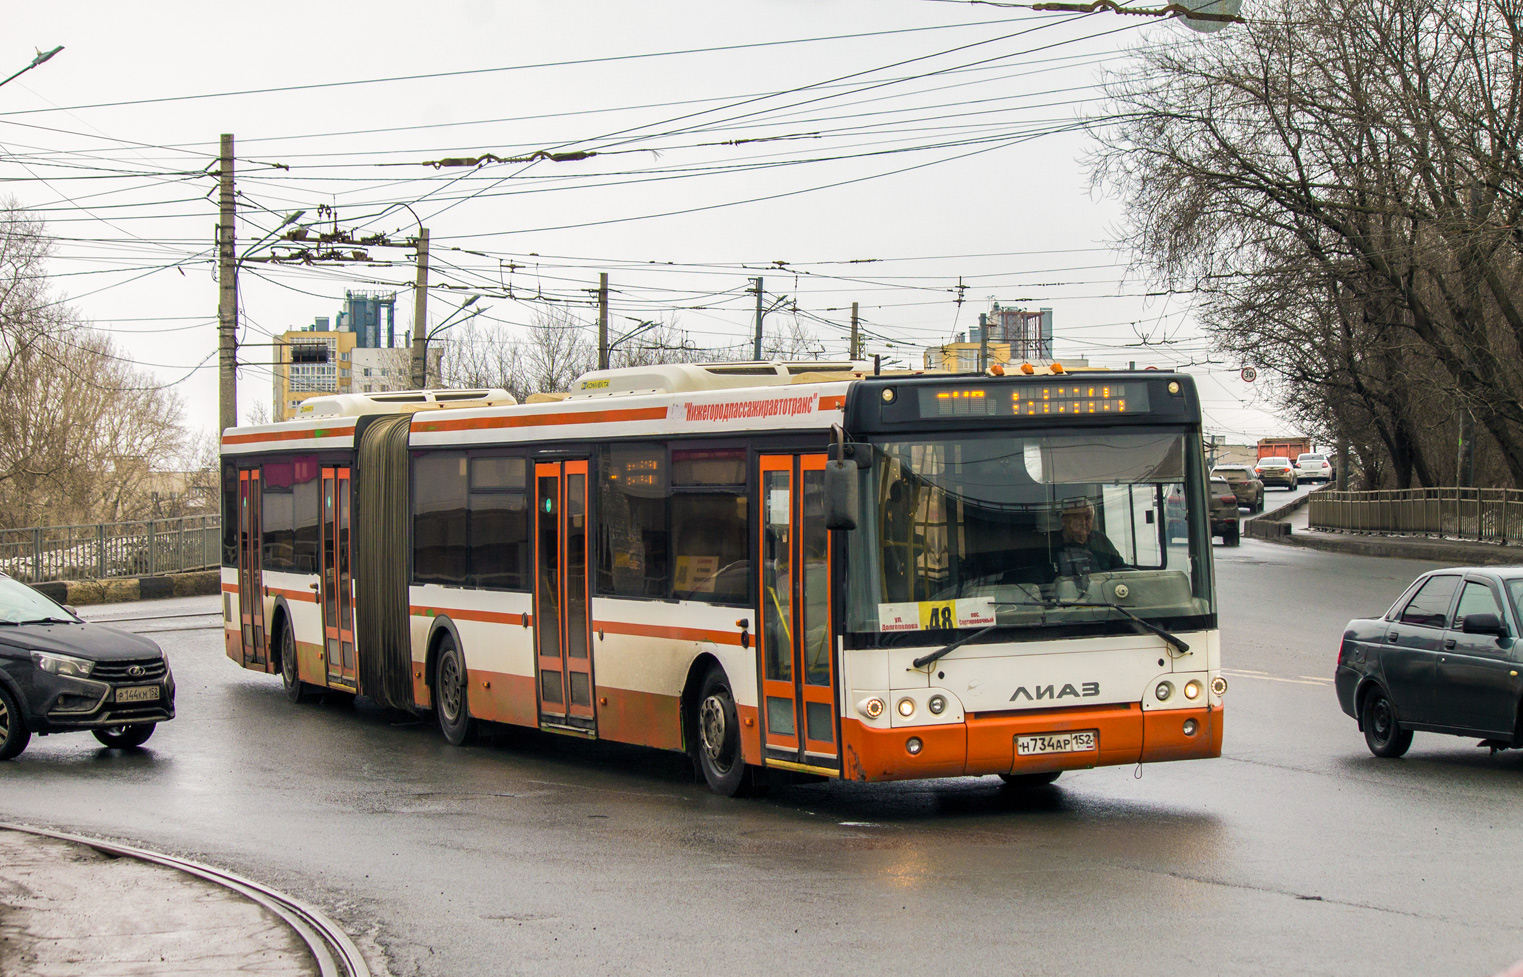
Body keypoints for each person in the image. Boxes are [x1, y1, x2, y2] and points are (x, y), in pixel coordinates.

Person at [1052, 501, 1125, 576]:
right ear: (1064, 520)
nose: (1083, 522)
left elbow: (1121, 568)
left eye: (1088, 518)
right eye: (1077, 517)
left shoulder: (1101, 539)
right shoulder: (1051, 543)